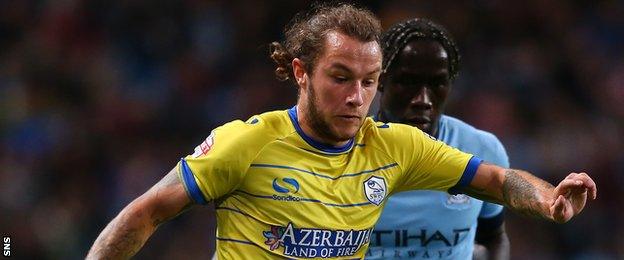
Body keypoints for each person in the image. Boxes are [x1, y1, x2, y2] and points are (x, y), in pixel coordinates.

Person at [87, 4, 596, 259]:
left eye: (369, 81)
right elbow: (148, 211)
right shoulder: (247, 143)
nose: (357, 96)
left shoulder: (395, 148)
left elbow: (499, 181)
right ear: (301, 71)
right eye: (340, 77)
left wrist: (550, 199)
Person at [368, 19, 510, 259]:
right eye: (409, 82)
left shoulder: (482, 149)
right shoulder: (344, 149)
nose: (423, 98)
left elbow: (493, 236)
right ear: (381, 79)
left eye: (437, 84)